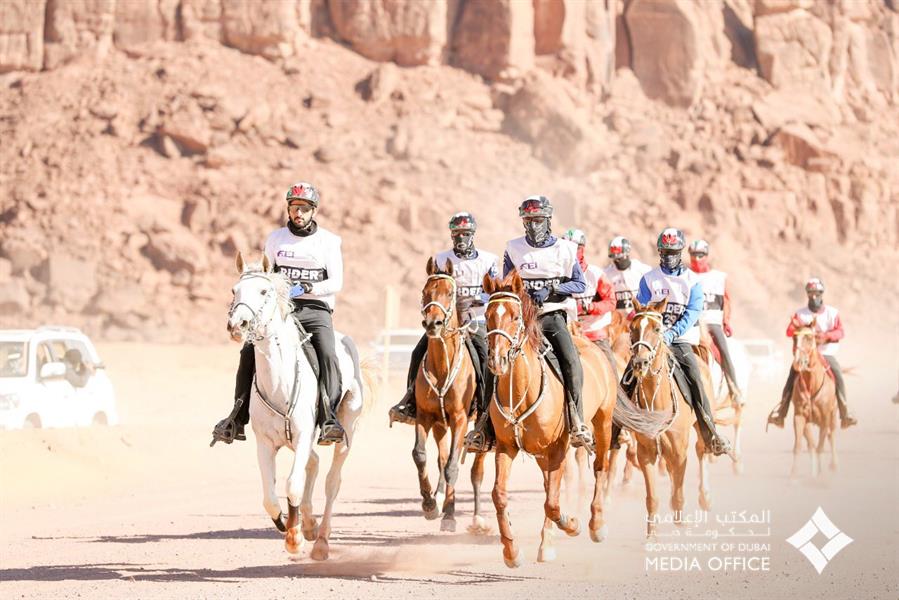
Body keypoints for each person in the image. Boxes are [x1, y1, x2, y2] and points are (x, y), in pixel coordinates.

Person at [211, 182, 347, 446]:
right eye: (295, 208)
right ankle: (237, 418)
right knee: (249, 350)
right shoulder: (275, 239)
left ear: (313, 211)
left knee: (328, 352)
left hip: (315, 308)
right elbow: (267, 276)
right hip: (283, 309)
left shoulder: (329, 242)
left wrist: (309, 287)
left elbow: (336, 282)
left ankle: (329, 418)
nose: (299, 213)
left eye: (305, 209)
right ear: (288, 209)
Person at [466, 196, 594, 451]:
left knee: (570, 360)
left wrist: (553, 289)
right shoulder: (513, 248)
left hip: (551, 316)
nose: (533, 225)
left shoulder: (565, 249)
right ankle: (483, 427)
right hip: (519, 320)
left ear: (547, 221)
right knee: (494, 362)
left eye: (537, 220)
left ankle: (577, 419)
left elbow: (580, 284)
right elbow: (504, 284)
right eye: (528, 220)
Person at [625, 227, 733, 457]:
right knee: (626, 377)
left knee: (696, 379)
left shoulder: (692, 281)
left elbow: (693, 312)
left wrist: (672, 334)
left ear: (680, 252)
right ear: (660, 252)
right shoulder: (649, 279)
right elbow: (642, 308)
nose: (669, 256)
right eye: (665, 251)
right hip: (651, 342)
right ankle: (618, 430)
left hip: (682, 340)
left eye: (673, 251)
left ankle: (710, 433)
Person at [388, 212, 498, 432]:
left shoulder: (489, 260)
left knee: (484, 357)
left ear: (473, 234)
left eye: (465, 234)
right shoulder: (440, 259)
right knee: (417, 352)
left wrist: (476, 300)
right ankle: (410, 400)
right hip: (445, 323)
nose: (461, 238)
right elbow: (431, 293)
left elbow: (494, 291)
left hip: (475, 320)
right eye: (457, 234)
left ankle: (485, 412)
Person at [767, 278, 857, 429]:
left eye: (817, 293)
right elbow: (789, 331)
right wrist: (801, 328)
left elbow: (840, 332)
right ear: (807, 295)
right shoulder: (800, 314)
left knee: (838, 376)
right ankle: (781, 413)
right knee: (791, 378)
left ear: (822, 294)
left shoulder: (832, 313)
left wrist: (827, 336)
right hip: (804, 356)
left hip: (826, 354)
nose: (814, 297)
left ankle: (845, 413)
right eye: (811, 294)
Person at [688, 239, 743, 405]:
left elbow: (726, 301)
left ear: (706, 256)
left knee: (724, 352)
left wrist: (726, 322)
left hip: (712, 322)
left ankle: (734, 388)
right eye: (693, 255)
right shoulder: (685, 275)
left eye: (700, 255)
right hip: (691, 323)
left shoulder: (719, 277)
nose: (697, 259)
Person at [562, 228, 617, 374]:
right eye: (566, 248)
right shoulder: (558, 275)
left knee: (611, 374)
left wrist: (591, 307)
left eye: (575, 248)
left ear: (582, 249)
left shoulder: (596, 274)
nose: (571, 252)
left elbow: (611, 301)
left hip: (595, 335)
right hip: (568, 335)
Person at [602, 236, 651, 316]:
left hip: (639, 318)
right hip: (618, 322)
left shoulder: (643, 270)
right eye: (615, 258)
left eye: (620, 258)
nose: (617, 261)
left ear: (627, 254)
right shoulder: (606, 274)